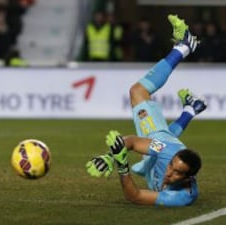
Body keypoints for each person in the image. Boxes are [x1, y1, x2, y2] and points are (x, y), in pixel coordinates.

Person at [86, 15, 207, 207]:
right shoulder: (165, 151)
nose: (169, 173)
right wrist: (111, 157)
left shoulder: (181, 197)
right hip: (162, 143)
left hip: (163, 148)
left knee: (164, 137)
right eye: (171, 167)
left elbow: (135, 197)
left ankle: (191, 110)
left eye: (176, 173)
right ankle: (183, 47)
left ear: (189, 178)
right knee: (138, 92)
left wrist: (122, 164)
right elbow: (132, 142)